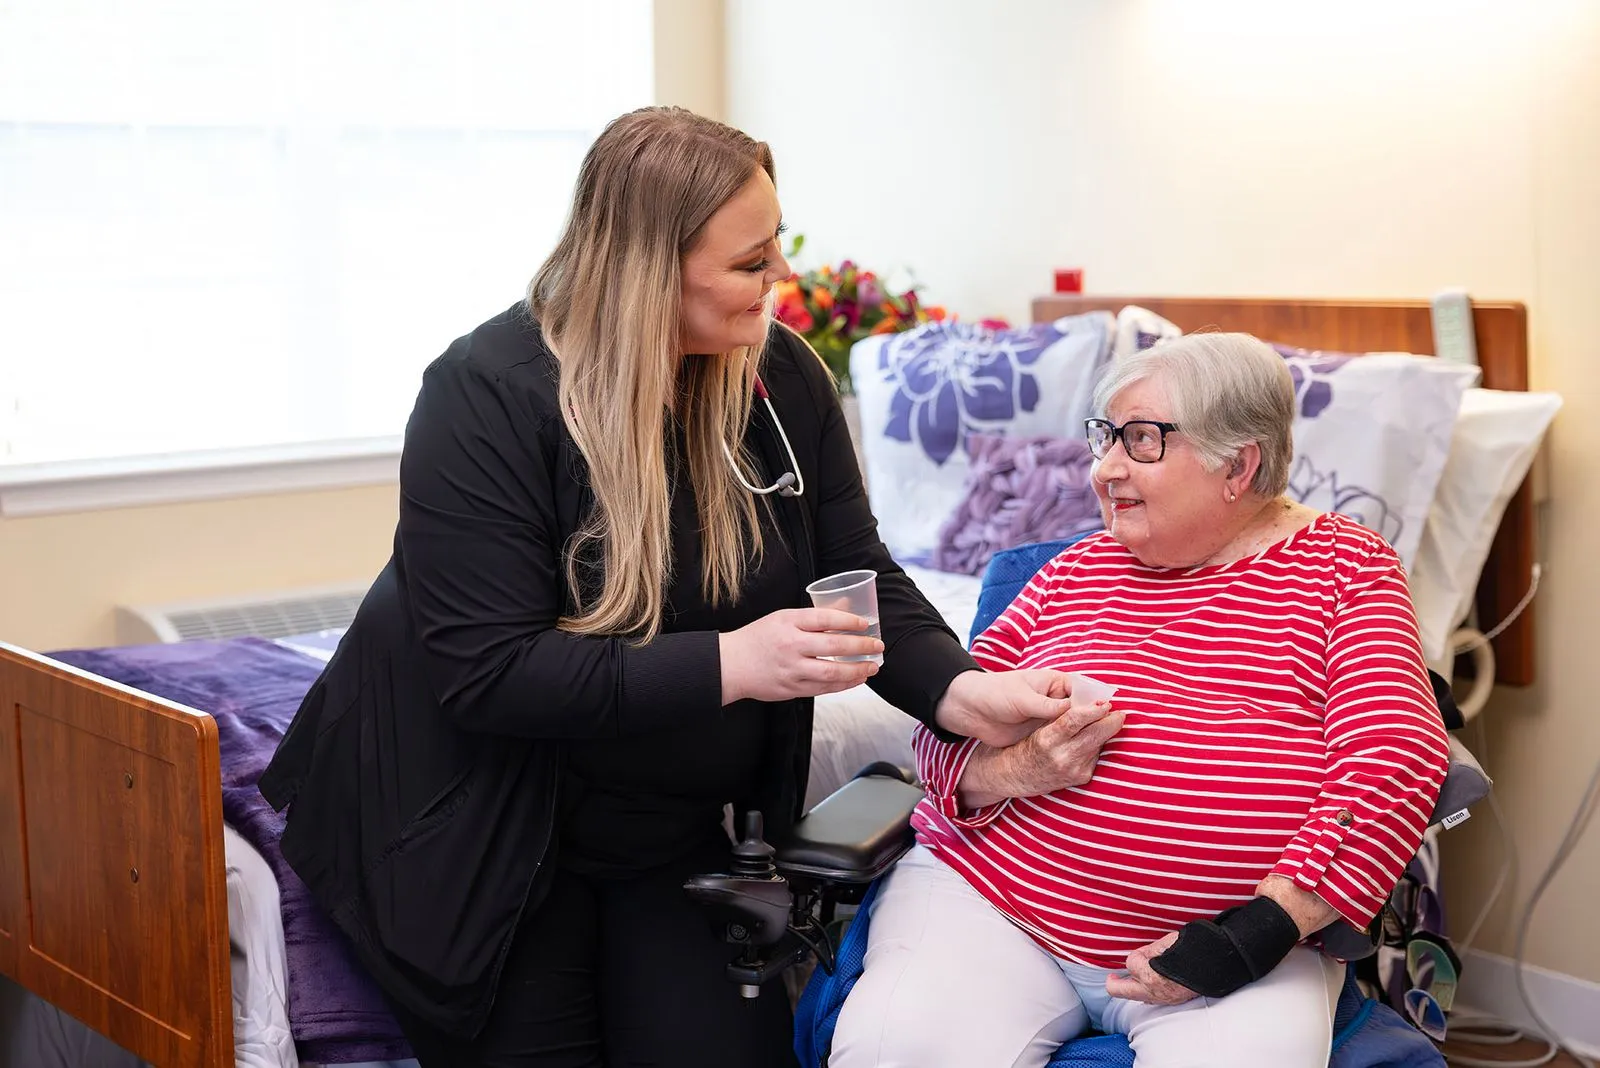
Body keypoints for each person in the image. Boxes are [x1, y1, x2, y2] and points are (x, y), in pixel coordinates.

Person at [257, 106, 1078, 1068]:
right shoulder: (486, 394)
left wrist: (955, 691)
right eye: (750, 261)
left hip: (668, 832)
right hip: (492, 829)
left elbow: (857, 571)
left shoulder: (779, 377)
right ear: (648, 270)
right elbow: (488, 672)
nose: (781, 278)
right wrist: (737, 662)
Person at [829, 333, 1452, 1067]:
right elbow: (942, 729)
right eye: (1105, 437)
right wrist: (1020, 769)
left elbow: (1393, 756)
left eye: (1142, 441)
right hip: (994, 904)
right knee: (894, 1051)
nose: (1104, 469)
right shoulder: (1073, 568)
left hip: (1231, 941)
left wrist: (1262, 928)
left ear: (1239, 464)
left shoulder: (1344, 569)